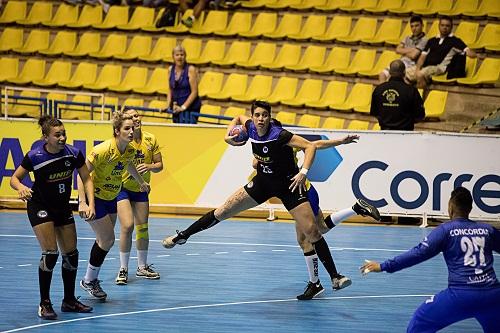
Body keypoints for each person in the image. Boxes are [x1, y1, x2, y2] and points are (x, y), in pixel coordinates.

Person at [162, 100, 380, 295]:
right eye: (257, 115)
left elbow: (311, 146)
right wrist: (228, 136)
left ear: (269, 117)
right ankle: (183, 235)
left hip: (289, 186)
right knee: (222, 211)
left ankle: (335, 277)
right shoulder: (250, 128)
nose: (260, 119)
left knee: (313, 232)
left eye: (264, 115)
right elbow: (238, 118)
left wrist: (303, 172)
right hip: (263, 184)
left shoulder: (280, 135)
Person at [361, 187, 500, 333]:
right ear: (470, 208)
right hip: (493, 296)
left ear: (450, 207)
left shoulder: (446, 230)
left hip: (460, 295)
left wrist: (384, 266)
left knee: (419, 323)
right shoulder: (487, 230)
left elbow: (418, 253)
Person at [9, 115, 95, 320]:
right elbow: (15, 178)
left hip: (62, 207)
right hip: (40, 206)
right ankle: (45, 303)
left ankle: (69, 300)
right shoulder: (35, 156)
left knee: (71, 254)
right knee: (50, 253)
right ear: (46, 137)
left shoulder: (73, 154)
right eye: (57, 135)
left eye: (64, 133)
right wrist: (21, 188)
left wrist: (89, 203)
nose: (62, 138)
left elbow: (86, 178)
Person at [295, 136, 381, 300]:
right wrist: (340, 141)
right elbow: (315, 145)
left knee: (304, 240)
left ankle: (316, 284)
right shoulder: (286, 142)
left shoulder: (281, 142)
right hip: (307, 190)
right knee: (321, 228)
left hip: (300, 195)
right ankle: (356, 208)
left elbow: (255, 164)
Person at [77, 111, 150, 300]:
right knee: (108, 239)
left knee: (103, 241)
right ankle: (88, 280)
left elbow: (128, 165)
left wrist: (141, 181)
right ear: (117, 131)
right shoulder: (102, 150)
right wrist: (84, 202)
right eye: (127, 128)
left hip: (112, 197)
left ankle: (90, 280)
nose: (131, 131)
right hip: (97, 199)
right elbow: (82, 174)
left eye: (132, 128)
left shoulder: (130, 150)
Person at [115, 109, 163, 285]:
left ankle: (142, 267)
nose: (135, 119)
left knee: (143, 228)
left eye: (136, 115)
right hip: (123, 188)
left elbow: (160, 166)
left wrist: (150, 166)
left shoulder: (150, 139)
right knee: (127, 226)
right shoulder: (123, 142)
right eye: (130, 117)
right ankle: (123, 269)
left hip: (141, 190)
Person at [406, 15, 479, 89]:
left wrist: (467, 52)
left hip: (439, 68)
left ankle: (419, 96)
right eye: (442, 25)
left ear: (451, 27)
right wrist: (418, 69)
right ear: (439, 26)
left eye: (447, 26)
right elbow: (422, 57)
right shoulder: (432, 40)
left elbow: (471, 53)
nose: (444, 28)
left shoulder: (455, 41)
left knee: (420, 75)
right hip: (425, 66)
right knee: (404, 73)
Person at [371, 59, 425, 131]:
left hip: (384, 134)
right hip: (406, 134)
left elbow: (374, 113)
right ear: (404, 72)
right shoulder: (411, 91)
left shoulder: (379, 89)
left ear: (390, 72)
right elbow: (420, 115)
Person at [379, 15, 427, 83]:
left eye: (417, 26)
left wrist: (404, 50)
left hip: (412, 65)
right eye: (412, 26)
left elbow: (414, 55)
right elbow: (397, 50)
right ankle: (382, 91)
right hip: (401, 62)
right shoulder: (407, 37)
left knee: (395, 80)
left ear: (422, 26)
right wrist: (412, 49)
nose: (414, 28)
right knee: (382, 74)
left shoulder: (424, 40)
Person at [165, 45, 201, 124]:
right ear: (173, 57)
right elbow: (170, 89)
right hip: (176, 107)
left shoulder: (191, 69)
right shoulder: (170, 69)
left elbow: (194, 92)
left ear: (185, 56)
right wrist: (168, 105)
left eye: (182, 55)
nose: (179, 57)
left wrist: (183, 107)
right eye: (177, 55)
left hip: (190, 108)